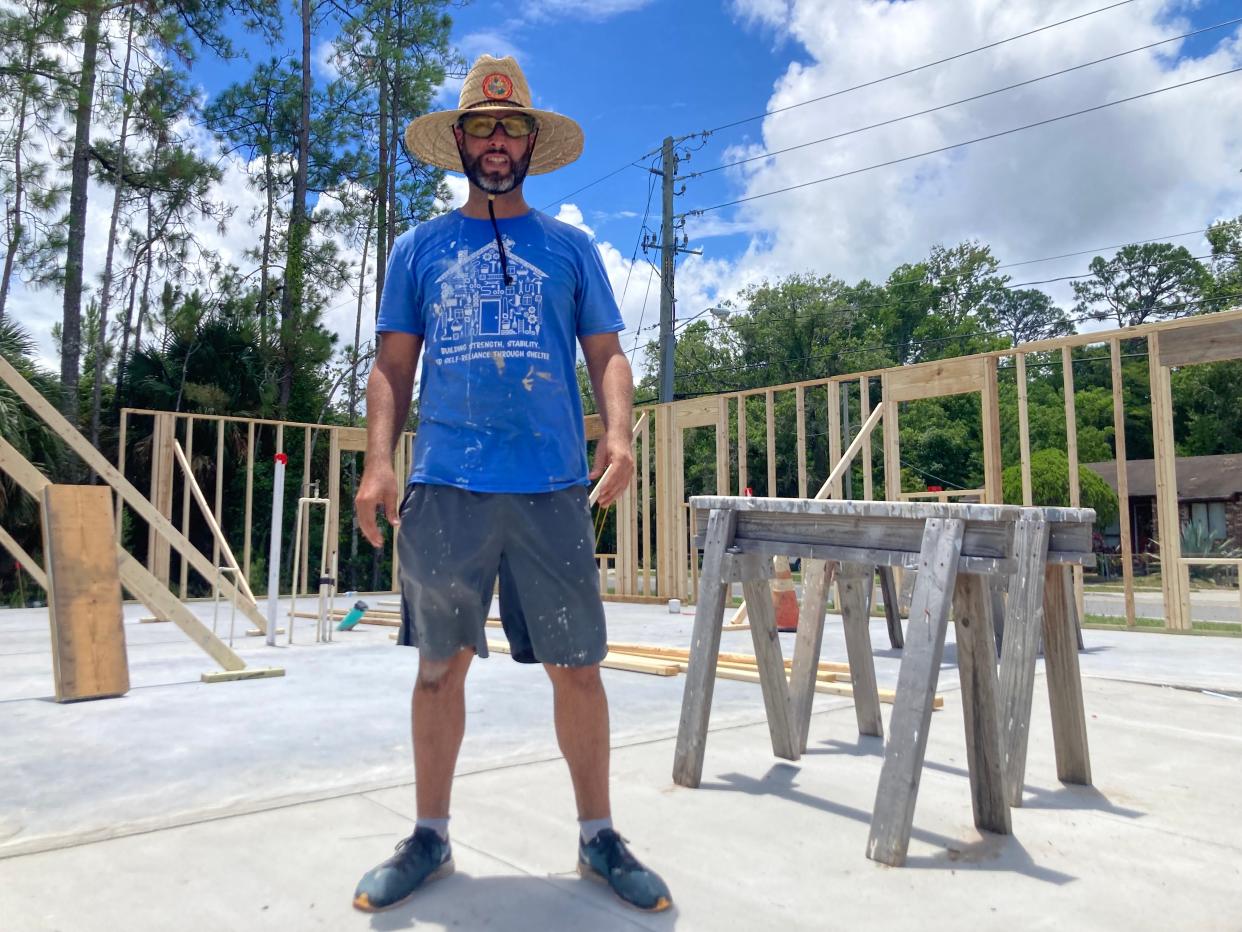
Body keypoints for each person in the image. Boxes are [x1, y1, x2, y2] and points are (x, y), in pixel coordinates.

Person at [351, 55, 671, 915]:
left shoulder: (568, 248)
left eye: (512, 128)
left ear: (531, 142)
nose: (497, 142)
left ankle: (599, 835)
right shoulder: (418, 249)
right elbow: (391, 365)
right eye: (484, 128)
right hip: (447, 486)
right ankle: (430, 834)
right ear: (459, 142)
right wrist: (381, 462)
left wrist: (621, 431)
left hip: (552, 489)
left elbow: (606, 352)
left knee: (578, 667)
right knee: (436, 670)